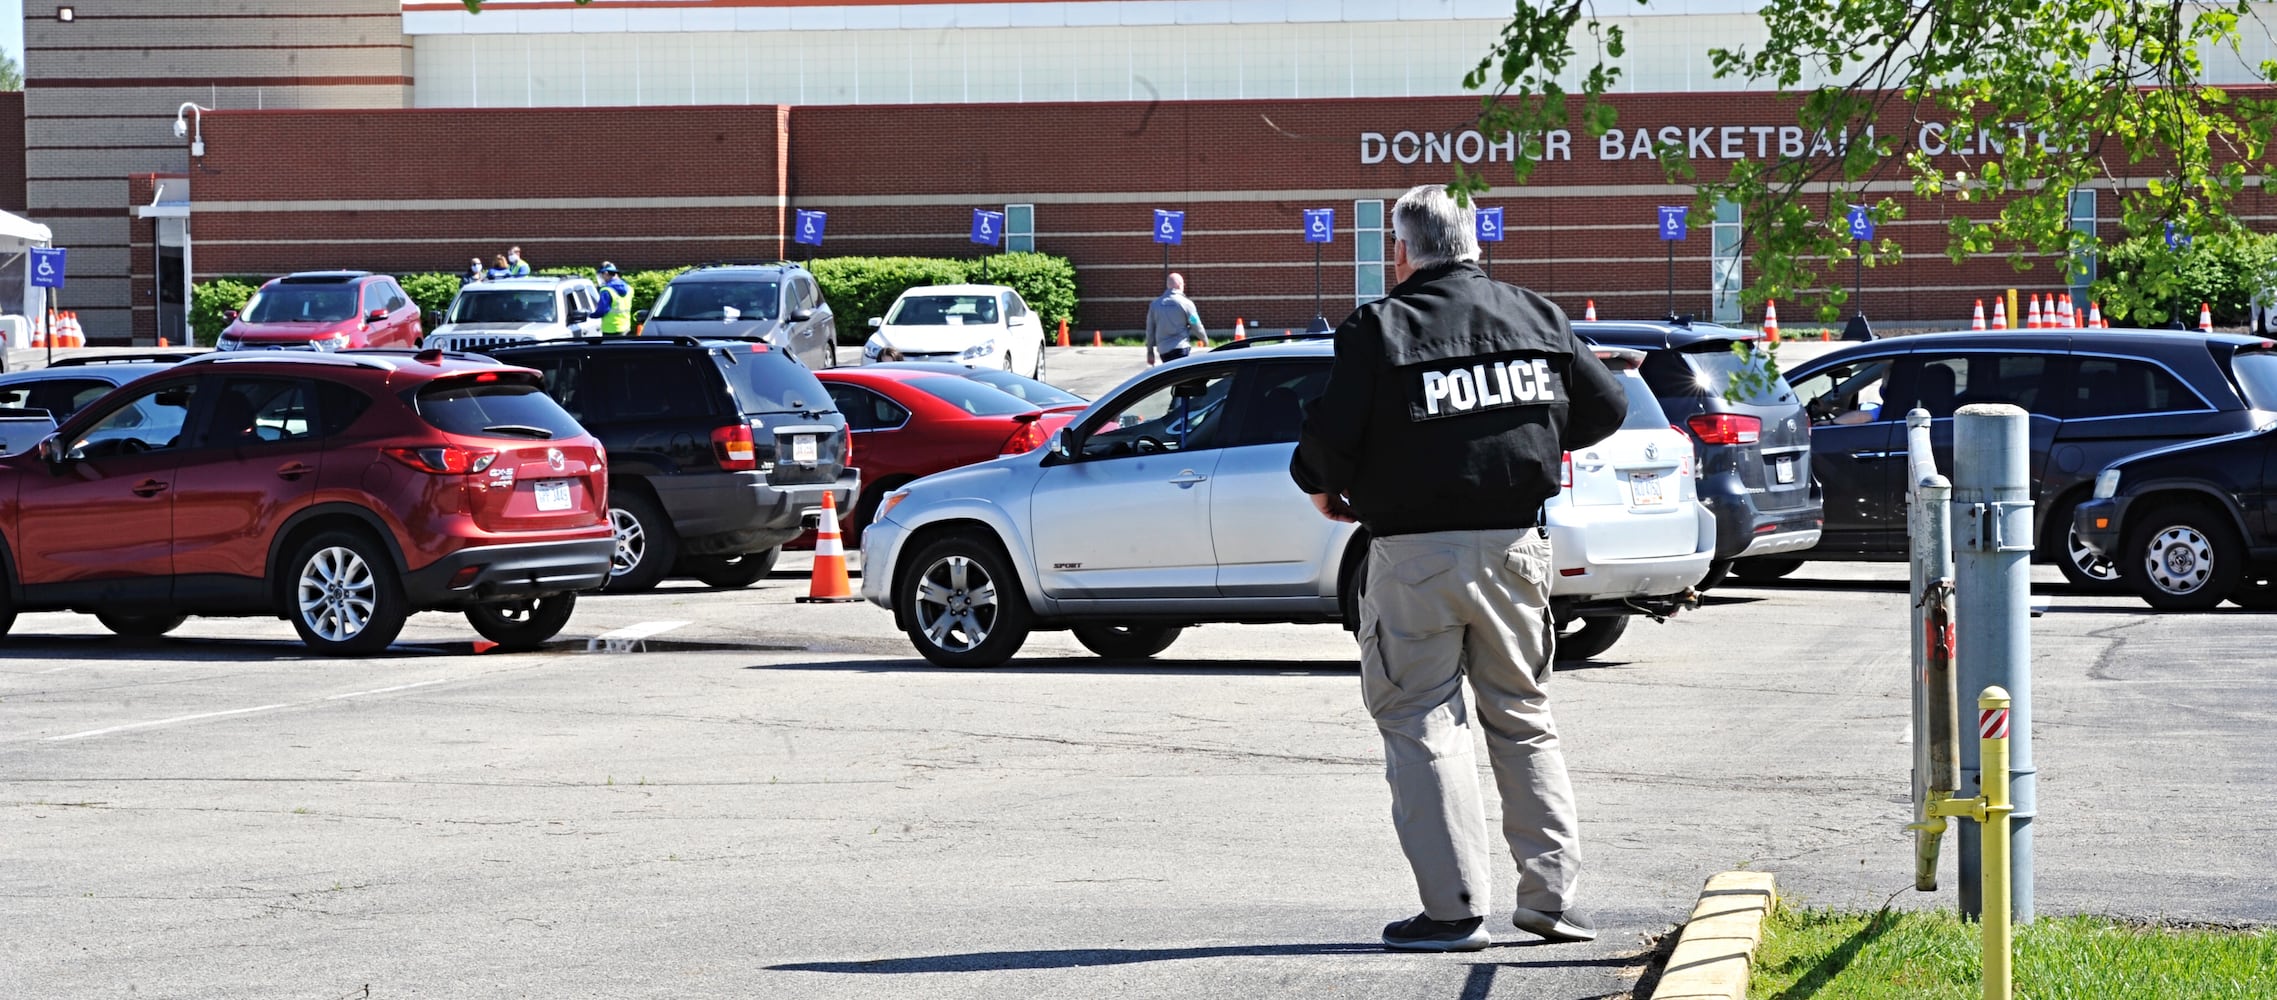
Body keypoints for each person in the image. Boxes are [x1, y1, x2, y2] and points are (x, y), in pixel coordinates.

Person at [1289, 184, 1627, 953]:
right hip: (1515, 549)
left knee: (1421, 724)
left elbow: (1329, 440)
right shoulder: (1536, 314)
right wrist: (1527, 435)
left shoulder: (1378, 328)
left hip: (1411, 555)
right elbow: (1603, 409)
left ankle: (1454, 913)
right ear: (1475, 244)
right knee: (1525, 719)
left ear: (1401, 252)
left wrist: (1322, 487)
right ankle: (1552, 903)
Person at [1144, 273, 1206, 365]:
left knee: (1170, 375)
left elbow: (1150, 330)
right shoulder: (1186, 303)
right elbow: (1195, 324)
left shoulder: (1155, 305)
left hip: (1163, 350)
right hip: (1181, 347)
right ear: (1180, 285)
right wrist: (1204, 339)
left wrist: (1150, 351)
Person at [593, 262, 634, 336]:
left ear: (605, 273)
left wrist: (590, 315)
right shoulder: (629, 288)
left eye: (601, 275)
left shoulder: (606, 290)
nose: (601, 278)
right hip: (625, 328)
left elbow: (601, 311)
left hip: (610, 330)